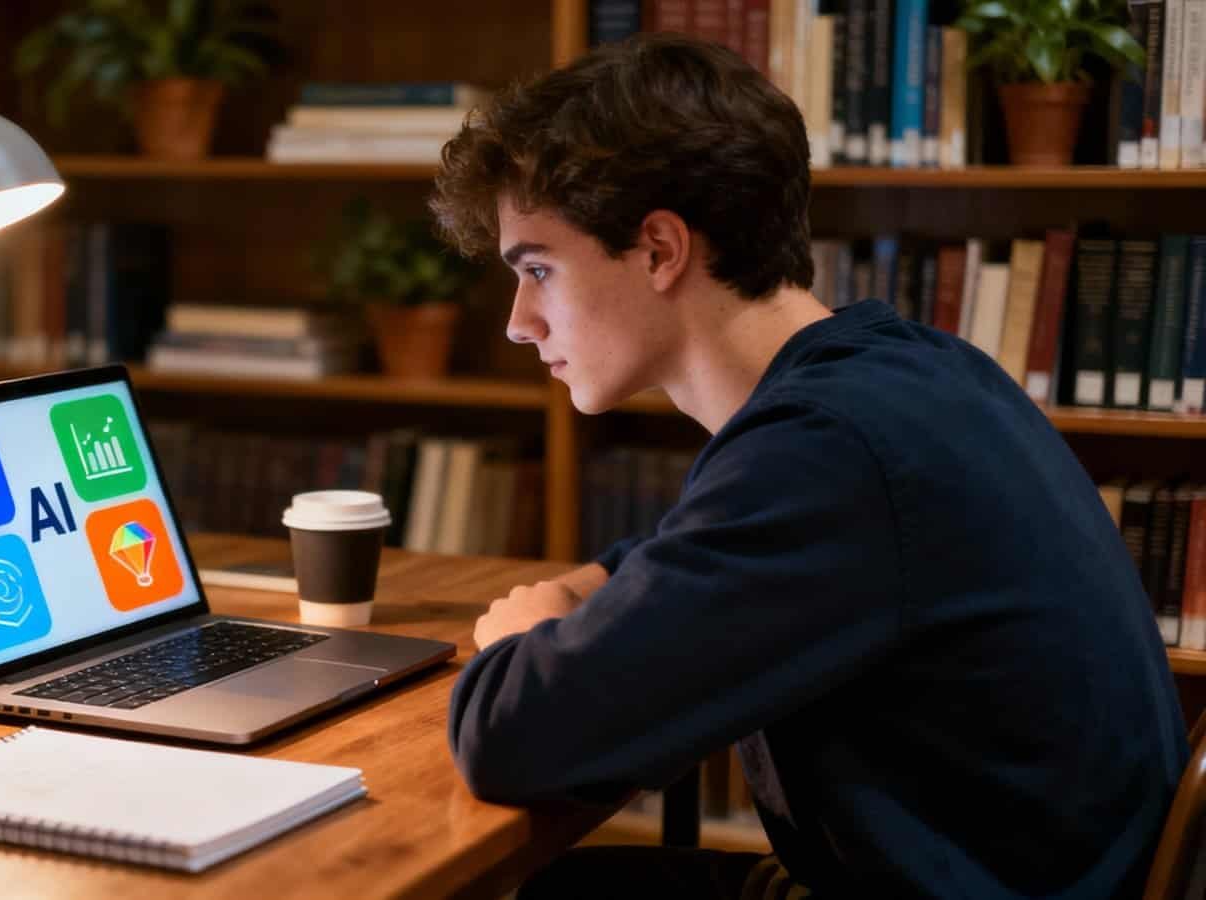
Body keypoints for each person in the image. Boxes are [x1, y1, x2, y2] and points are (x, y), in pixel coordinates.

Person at [428, 32, 1188, 899]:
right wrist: (575, 601)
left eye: (539, 269)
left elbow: (511, 740)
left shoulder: (829, 449)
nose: (518, 322)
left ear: (659, 249)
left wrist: (523, 638)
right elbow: (689, 558)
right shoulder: (904, 372)